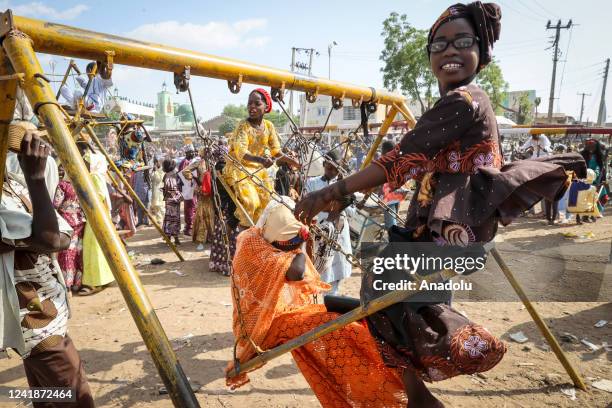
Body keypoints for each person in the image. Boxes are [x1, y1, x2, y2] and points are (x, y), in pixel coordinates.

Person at [295, 3, 585, 405]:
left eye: (462, 43)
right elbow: (416, 163)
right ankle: (419, 390)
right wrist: (348, 196)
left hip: (453, 225)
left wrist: (332, 191)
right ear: (430, 57)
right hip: (434, 222)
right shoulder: (456, 103)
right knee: (392, 294)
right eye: (439, 45)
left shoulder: (465, 101)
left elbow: (403, 156)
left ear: (481, 52)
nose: (450, 52)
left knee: (391, 294)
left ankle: (462, 349)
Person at [225, 200, 408, 406]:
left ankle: (376, 373)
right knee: (340, 331)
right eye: (290, 241)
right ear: (277, 238)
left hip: (282, 314)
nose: (292, 246)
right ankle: (371, 386)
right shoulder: (252, 245)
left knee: (341, 318)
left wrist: (298, 238)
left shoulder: (265, 236)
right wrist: (300, 244)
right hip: (261, 326)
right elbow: (296, 273)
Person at [1, 129, 95, 407]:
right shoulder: (18, 186)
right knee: (75, 398)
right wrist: (36, 177)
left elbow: (60, 234)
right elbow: (50, 238)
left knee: (48, 398)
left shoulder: (13, 185)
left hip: (45, 318)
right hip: (36, 323)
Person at [223, 88, 298, 226]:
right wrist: (262, 160)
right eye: (249, 103)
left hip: (259, 171)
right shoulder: (243, 126)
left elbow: (276, 150)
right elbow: (241, 153)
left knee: (269, 204)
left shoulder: (269, 126)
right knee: (251, 203)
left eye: (257, 103)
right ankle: (245, 238)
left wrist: (291, 161)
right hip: (239, 168)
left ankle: (260, 236)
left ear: (266, 107)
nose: (252, 106)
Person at [303, 151, 354, 295]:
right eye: (329, 168)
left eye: (335, 169)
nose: (332, 172)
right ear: (324, 165)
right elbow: (308, 204)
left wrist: (341, 201)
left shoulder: (344, 185)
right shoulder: (312, 183)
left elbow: (351, 211)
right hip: (320, 230)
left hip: (338, 231)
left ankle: (332, 299)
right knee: (319, 267)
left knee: (335, 272)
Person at [81, 151, 115, 296]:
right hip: (98, 214)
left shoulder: (94, 176)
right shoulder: (96, 175)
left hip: (96, 214)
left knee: (93, 247)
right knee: (98, 247)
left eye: (87, 162)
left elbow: (99, 194)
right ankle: (103, 278)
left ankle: (95, 282)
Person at [209, 141, 241, 276]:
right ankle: (229, 266)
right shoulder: (226, 169)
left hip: (220, 206)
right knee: (231, 236)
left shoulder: (214, 169)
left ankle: (218, 262)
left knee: (220, 235)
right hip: (230, 206)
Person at [53, 168, 87, 292]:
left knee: (66, 253)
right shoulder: (81, 184)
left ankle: (67, 284)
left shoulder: (63, 185)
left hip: (66, 224)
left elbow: (56, 203)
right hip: (80, 222)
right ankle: (77, 282)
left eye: (63, 168)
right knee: (78, 252)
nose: (61, 170)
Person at [192, 148, 215, 251]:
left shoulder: (210, 162)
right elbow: (186, 171)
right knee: (205, 216)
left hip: (209, 193)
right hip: (206, 193)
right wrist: (197, 182)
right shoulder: (200, 163)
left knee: (207, 215)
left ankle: (207, 238)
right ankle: (205, 238)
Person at [580, 139, 608, 220]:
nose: (591, 148)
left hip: (597, 179)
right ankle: (585, 215)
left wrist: (603, 179)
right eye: (589, 146)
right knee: (586, 198)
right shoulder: (583, 155)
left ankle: (593, 214)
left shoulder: (600, 156)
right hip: (586, 179)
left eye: (593, 146)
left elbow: (602, 168)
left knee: (596, 197)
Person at [178, 147, 198, 237]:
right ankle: (188, 228)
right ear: (186, 153)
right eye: (191, 152)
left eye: (193, 152)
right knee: (189, 208)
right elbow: (182, 175)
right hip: (187, 188)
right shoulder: (184, 162)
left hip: (192, 187)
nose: (193, 154)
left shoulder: (193, 161)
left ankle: (191, 226)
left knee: (193, 207)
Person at [162, 158, 182, 246]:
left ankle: (168, 238)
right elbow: (180, 186)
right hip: (176, 199)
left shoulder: (166, 176)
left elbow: (165, 189)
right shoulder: (176, 174)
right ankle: (176, 238)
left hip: (169, 200)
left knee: (169, 219)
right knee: (175, 219)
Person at [149, 158, 165, 225]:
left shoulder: (162, 170)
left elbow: (159, 179)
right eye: (155, 162)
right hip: (154, 190)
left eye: (157, 162)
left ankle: (163, 218)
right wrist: (153, 171)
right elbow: (151, 178)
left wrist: (155, 172)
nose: (156, 164)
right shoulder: (154, 170)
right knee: (156, 206)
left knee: (160, 205)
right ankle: (159, 219)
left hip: (160, 190)